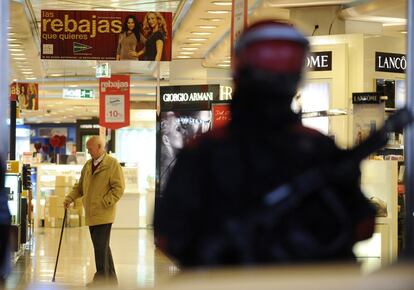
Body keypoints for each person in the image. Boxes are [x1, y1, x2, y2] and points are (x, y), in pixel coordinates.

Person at [154, 21, 376, 267]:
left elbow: (168, 236)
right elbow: (362, 225)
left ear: (238, 72)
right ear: (296, 79)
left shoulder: (203, 151)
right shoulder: (319, 149)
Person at [63, 136, 124, 286]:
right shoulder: (88, 165)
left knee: (99, 247)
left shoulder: (112, 164)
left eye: (89, 148)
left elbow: (119, 188)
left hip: (103, 213)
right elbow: (80, 187)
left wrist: (105, 202)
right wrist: (70, 198)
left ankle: (102, 280)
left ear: (99, 147)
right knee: (102, 247)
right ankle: (111, 279)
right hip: (91, 213)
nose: (88, 151)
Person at [159, 112, 185, 193]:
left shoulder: (175, 161)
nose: (183, 132)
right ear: (166, 139)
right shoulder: (165, 167)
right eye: (177, 129)